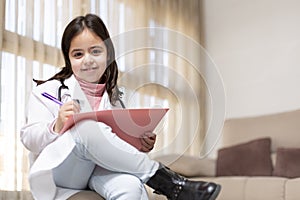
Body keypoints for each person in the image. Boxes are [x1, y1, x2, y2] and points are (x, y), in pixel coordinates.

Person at [20, 13, 221, 200]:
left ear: (108, 54)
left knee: (131, 185)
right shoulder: (48, 90)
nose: (87, 60)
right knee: (85, 126)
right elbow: (29, 138)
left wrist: (139, 143)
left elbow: (113, 144)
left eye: (95, 51)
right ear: (69, 59)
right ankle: (168, 183)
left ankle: (166, 182)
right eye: (78, 54)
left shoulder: (115, 98)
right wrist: (57, 124)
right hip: (64, 171)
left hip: (100, 170)